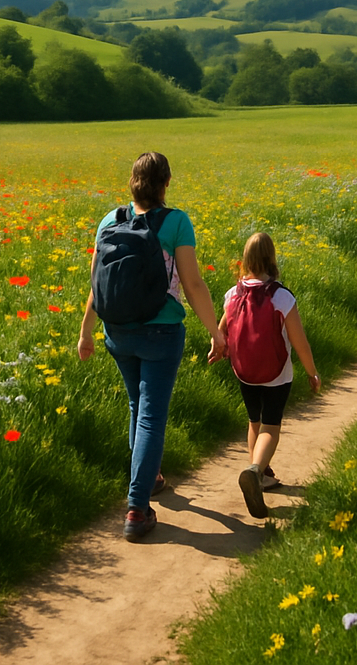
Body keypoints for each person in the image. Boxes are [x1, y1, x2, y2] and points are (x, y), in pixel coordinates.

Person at [78, 151, 226, 542]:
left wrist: (86, 331)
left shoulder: (109, 220)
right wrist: (216, 332)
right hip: (161, 332)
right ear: (165, 184)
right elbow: (193, 285)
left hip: (118, 331)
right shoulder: (175, 221)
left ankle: (151, 478)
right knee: (150, 417)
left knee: (135, 406)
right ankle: (137, 508)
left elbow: (96, 282)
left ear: (132, 182)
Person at [220, 232, 320, 519]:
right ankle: (255, 470)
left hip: (244, 372)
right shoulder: (281, 296)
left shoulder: (233, 293)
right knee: (271, 426)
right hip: (277, 374)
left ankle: (260, 475)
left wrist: (218, 348)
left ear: (246, 259)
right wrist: (312, 373)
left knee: (254, 421)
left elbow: (223, 329)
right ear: (271, 258)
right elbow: (299, 342)